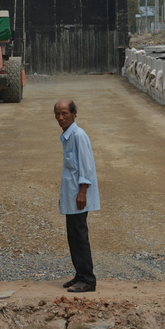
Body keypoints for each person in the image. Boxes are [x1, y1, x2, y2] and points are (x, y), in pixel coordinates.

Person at [54, 99, 99, 293]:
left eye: (65, 113)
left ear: (74, 114)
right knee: (73, 236)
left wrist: (82, 192)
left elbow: (86, 167)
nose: (61, 117)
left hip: (79, 196)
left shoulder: (79, 136)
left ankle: (88, 279)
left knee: (80, 236)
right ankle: (80, 275)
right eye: (57, 114)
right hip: (71, 195)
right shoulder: (67, 136)